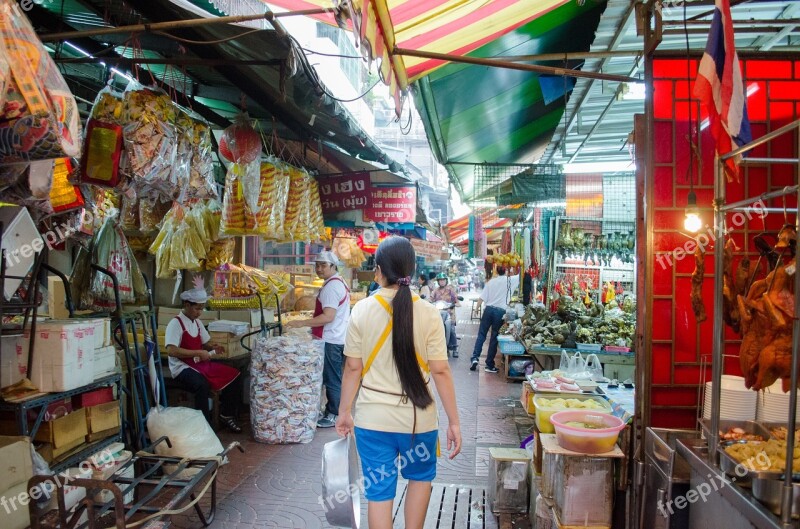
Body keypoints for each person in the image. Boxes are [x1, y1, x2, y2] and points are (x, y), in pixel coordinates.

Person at [336, 236, 461, 529]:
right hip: (418, 422)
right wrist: (454, 422)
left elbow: (353, 368)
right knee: (419, 480)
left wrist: (344, 412)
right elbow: (441, 371)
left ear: (378, 270)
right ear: (412, 270)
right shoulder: (430, 313)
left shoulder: (362, 310)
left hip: (372, 421)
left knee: (378, 492)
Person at [285, 251, 351, 428]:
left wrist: (302, 323)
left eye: (323, 265)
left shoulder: (331, 287)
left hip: (330, 339)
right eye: (317, 265)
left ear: (333, 266)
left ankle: (333, 413)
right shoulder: (338, 282)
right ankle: (331, 410)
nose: (319, 269)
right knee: (332, 376)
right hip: (336, 337)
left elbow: (328, 316)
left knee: (331, 378)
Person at [165, 286, 243, 432]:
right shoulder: (175, 324)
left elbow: (205, 343)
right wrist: (198, 352)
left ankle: (226, 414)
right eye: (197, 309)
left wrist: (212, 347)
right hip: (181, 368)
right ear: (187, 305)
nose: (200, 313)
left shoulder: (197, 322)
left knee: (235, 374)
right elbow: (171, 350)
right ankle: (204, 424)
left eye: (202, 309)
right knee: (202, 384)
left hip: (200, 364)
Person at [470, 266, 520, 373]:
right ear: (506, 270)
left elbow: (481, 298)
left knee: (481, 335)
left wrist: (476, 309)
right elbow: (522, 275)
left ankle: (475, 358)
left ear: (496, 271)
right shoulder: (511, 280)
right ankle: (489, 364)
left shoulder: (491, 282)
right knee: (494, 337)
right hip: (500, 312)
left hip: (488, 310)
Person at [430, 272, 460, 357]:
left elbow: (457, 301)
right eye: (440, 280)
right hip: (438, 314)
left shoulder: (451, 290)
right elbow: (430, 299)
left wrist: (454, 304)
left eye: (443, 280)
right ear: (438, 281)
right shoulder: (435, 290)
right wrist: (427, 302)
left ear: (446, 281)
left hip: (449, 314)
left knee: (452, 330)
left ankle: (455, 348)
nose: (442, 282)